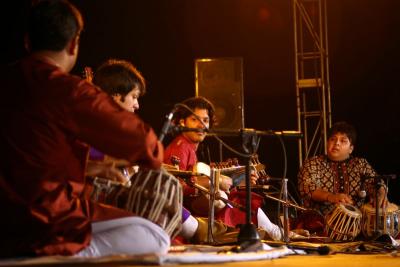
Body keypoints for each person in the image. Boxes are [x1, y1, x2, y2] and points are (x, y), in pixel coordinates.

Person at [0, 0, 169, 258]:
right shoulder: (66, 89)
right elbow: (146, 146)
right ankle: (62, 256)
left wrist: (91, 167)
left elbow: (28, 158)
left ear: (27, 41)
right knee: (154, 237)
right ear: (73, 44)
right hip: (45, 219)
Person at [163, 96, 305, 241]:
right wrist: (215, 181)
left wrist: (239, 181)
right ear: (182, 122)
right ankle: (276, 233)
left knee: (239, 198)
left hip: (196, 207)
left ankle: (276, 232)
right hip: (185, 216)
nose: (201, 125)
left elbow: (194, 177)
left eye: (205, 120)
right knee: (237, 201)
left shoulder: (189, 147)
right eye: (195, 120)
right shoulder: (181, 147)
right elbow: (171, 189)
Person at [297, 121, 380, 217]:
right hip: (319, 225)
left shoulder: (360, 164)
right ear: (327, 143)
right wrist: (331, 197)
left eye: (343, 141)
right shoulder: (313, 163)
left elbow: (376, 183)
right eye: (333, 139)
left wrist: (381, 194)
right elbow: (308, 189)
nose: (336, 143)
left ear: (351, 149)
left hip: (356, 226)